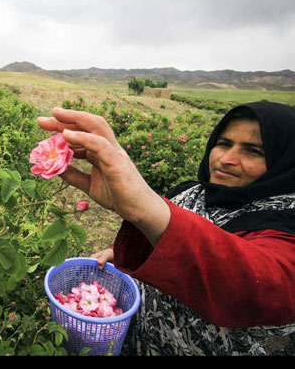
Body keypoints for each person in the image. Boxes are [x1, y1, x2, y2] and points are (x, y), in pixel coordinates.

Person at [36, 101, 295, 355]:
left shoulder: (285, 220)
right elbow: (163, 236)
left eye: (253, 151)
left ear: (285, 162)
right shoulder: (191, 192)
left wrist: (148, 208)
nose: (227, 159)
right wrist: (118, 249)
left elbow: (262, 285)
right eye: (224, 143)